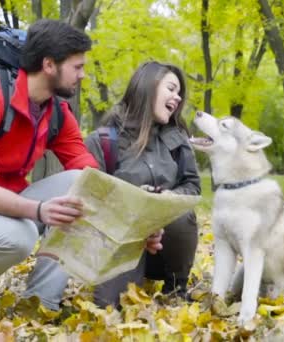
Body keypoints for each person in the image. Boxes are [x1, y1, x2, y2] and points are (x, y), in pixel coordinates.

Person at [0, 20, 163, 325]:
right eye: (77, 67)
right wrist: (39, 210)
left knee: (79, 187)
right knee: (20, 235)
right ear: (49, 64)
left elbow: (95, 182)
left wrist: (137, 223)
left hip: (4, 206)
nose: (82, 75)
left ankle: (39, 303)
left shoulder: (56, 113)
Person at [84, 61, 201, 308]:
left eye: (179, 93)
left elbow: (192, 187)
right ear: (148, 87)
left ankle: (175, 289)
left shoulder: (177, 140)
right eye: (171, 88)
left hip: (163, 244)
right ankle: (128, 277)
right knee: (109, 307)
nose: (177, 98)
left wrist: (167, 198)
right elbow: (88, 198)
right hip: (120, 243)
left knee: (182, 213)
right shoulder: (103, 140)